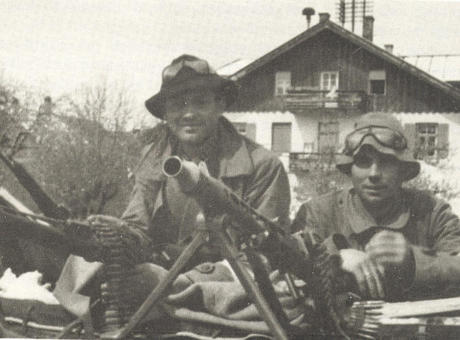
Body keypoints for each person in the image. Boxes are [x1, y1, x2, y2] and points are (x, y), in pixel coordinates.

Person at [54, 55, 294, 336]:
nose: (188, 114)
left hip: (230, 288)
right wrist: (116, 234)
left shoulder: (263, 166)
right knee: (83, 267)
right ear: (166, 114)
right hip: (158, 279)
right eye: (177, 104)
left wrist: (175, 281)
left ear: (220, 105)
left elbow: (263, 260)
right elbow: (138, 229)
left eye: (200, 102)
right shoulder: (153, 158)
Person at [292, 113, 460, 301]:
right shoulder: (318, 213)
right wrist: (335, 258)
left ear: (403, 170)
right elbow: (289, 267)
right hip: (339, 328)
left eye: (387, 162)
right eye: (363, 161)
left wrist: (413, 261)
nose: (374, 174)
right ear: (350, 169)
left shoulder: (431, 211)